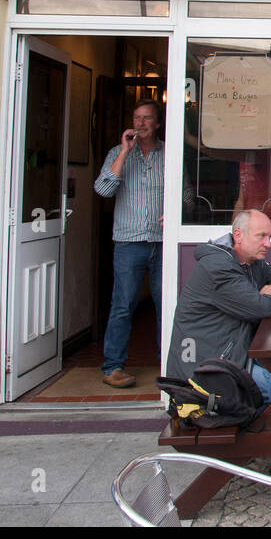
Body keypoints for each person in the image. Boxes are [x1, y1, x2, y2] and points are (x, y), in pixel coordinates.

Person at [165, 209, 271, 425]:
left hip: (234, 355)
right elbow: (260, 307)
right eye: (262, 236)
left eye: (270, 237)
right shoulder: (218, 267)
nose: (268, 244)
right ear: (238, 236)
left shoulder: (251, 262)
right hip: (207, 374)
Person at [94, 99, 166, 388]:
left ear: (157, 123)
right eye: (137, 118)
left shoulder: (168, 153)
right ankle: (113, 367)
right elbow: (103, 189)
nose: (140, 123)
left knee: (166, 305)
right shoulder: (118, 152)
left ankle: (167, 363)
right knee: (123, 305)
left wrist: (175, 211)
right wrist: (124, 151)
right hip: (129, 241)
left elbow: (186, 193)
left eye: (147, 118)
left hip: (161, 242)